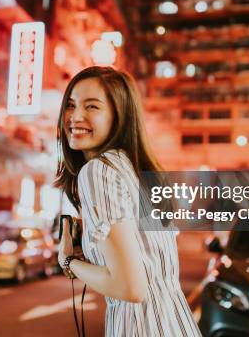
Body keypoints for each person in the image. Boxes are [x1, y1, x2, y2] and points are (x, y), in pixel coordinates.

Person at [55, 66, 201, 336]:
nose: (75, 117)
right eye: (71, 105)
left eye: (92, 107)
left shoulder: (98, 172)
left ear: (118, 116)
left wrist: (69, 262)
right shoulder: (135, 173)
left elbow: (130, 288)